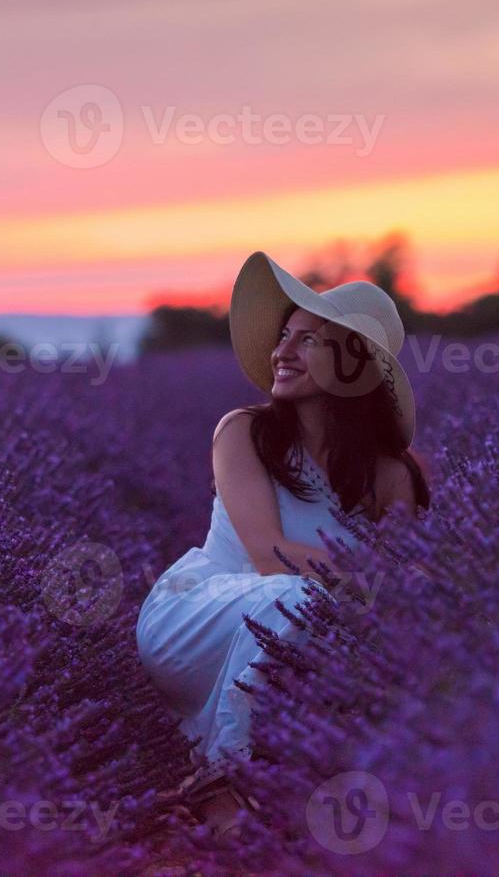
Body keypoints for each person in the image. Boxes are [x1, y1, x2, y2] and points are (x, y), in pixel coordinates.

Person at [135, 250, 430, 838]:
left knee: (339, 628)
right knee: (294, 595)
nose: (282, 352)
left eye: (309, 341)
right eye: (284, 336)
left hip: (298, 641)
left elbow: (405, 594)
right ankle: (225, 779)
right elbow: (270, 555)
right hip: (197, 616)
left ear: (353, 366)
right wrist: (368, 577)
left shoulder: (390, 476)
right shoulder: (244, 432)